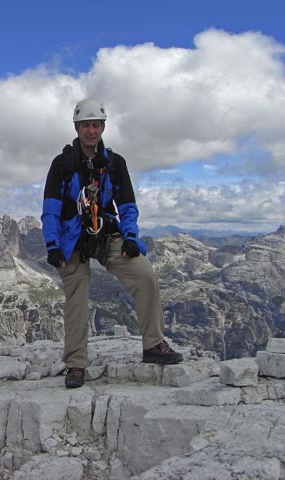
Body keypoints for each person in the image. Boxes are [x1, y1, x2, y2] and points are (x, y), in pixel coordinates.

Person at [41, 98, 183, 389]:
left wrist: (130, 237)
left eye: (95, 125)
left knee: (145, 275)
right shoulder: (62, 164)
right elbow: (51, 208)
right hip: (72, 239)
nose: (90, 131)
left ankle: (153, 345)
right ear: (77, 128)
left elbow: (127, 205)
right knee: (77, 298)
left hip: (106, 233)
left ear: (103, 127)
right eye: (85, 125)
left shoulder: (115, 163)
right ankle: (76, 364)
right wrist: (52, 244)